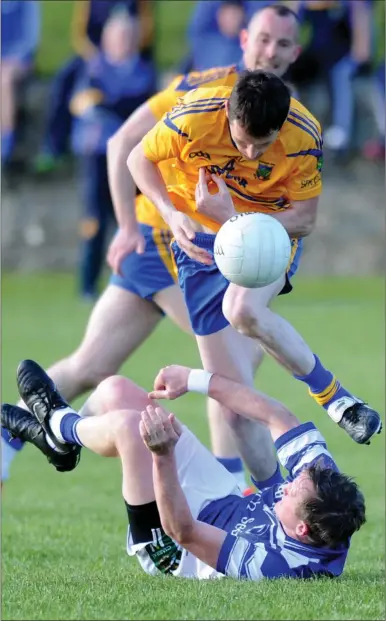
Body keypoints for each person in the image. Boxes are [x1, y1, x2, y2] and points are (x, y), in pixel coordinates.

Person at [1, 4, 303, 489]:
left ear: (296, 51)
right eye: (263, 39)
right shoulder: (202, 89)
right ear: (244, 38)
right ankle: (232, 490)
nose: (271, 51)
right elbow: (123, 143)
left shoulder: (282, 115)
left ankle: (8, 432)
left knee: (92, 364)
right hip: (164, 240)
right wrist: (124, 226)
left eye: (282, 43)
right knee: (233, 366)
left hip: (199, 248)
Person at [127, 67, 382, 490]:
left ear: (279, 128)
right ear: (227, 109)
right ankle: (272, 501)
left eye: (260, 145)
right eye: (240, 139)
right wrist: (170, 213)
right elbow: (138, 156)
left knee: (242, 308)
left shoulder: (302, 135)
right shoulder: (194, 116)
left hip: (268, 239)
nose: (247, 153)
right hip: (199, 248)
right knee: (233, 407)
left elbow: (303, 220)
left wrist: (234, 220)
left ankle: (337, 400)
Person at [1, 359, 370, 581]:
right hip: (220, 497)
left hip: (177, 546)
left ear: (302, 530)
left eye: (292, 493)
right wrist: (194, 379)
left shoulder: (275, 565)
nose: (286, 486)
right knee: (115, 391)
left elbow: (184, 530)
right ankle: (59, 441)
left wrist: (163, 456)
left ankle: (60, 425)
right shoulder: (324, 484)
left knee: (132, 429)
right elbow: (275, 415)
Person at [69, 11, 156, 298]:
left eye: (129, 36)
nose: (123, 42)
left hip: (133, 158)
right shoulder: (93, 68)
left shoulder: (144, 70)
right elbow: (82, 104)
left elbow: (143, 104)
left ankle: (135, 279)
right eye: (118, 37)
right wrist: (112, 106)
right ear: (106, 40)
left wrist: (109, 104)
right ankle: (87, 285)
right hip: (97, 155)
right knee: (94, 220)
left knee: (136, 219)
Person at [1, 0, 40, 167]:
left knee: (5, 81)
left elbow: (30, 40)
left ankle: (6, 144)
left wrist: (12, 59)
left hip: (18, 61)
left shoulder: (27, 4)